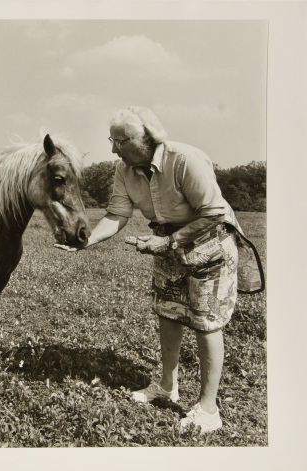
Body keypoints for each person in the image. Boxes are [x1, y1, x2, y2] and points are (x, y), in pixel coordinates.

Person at [56, 106, 245, 434]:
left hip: (209, 244)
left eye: (119, 141)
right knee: (169, 313)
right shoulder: (124, 170)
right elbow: (116, 215)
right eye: (111, 140)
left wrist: (169, 242)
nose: (113, 148)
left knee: (206, 322)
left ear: (145, 138)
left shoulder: (184, 160)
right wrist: (87, 241)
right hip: (168, 243)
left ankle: (208, 408)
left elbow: (213, 213)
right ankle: (166, 386)